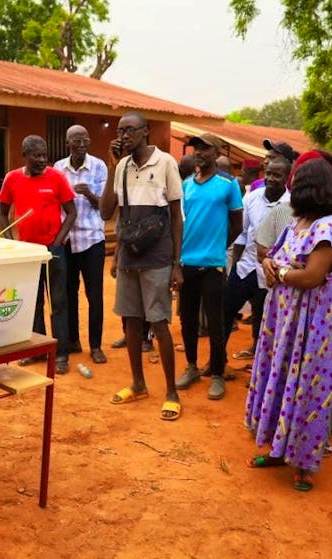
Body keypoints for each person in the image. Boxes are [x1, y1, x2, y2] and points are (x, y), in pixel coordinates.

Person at [244, 157, 332, 492]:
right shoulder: (297, 223)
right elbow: (272, 255)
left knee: (308, 386)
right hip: (284, 318)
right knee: (279, 379)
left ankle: (306, 464)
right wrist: (268, 263)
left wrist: (278, 272)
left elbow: (311, 277)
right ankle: (279, 449)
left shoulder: (330, 227)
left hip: (314, 325)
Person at [99, 112, 184, 421]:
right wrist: (111, 166)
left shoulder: (165, 164)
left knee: (159, 323)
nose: (124, 135)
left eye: (131, 129)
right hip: (130, 256)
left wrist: (177, 264)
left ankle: (171, 392)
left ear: (146, 131)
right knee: (131, 322)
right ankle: (138, 383)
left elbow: (176, 216)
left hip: (159, 257)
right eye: (121, 130)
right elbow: (108, 212)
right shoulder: (121, 167)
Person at [0, 135, 77, 373]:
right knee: (33, 302)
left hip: (53, 252)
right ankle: (37, 350)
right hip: (27, 253)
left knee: (59, 301)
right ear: (25, 155)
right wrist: (12, 244)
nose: (43, 160)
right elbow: (2, 213)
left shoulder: (57, 177)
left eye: (45, 155)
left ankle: (61, 353)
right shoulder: (12, 178)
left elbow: (71, 212)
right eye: (37, 156)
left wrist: (58, 241)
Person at [174, 133, 243, 400]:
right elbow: (180, 223)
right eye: (196, 148)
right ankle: (191, 366)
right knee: (187, 319)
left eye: (205, 148)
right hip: (187, 263)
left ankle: (216, 373)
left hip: (213, 265)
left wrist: (218, 246)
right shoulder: (187, 184)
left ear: (216, 153)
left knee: (215, 322)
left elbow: (237, 223)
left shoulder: (228, 184)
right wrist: (177, 260)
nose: (199, 153)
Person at [218, 157, 292, 367]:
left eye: (276, 175)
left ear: (286, 178)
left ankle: (261, 369)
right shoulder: (252, 196)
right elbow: (242, 233)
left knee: (264, 322)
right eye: (268, 173)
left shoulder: (291, 205)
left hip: (270, 274)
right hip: (245, 267)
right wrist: (235, 265)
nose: (270, 178)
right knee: (225, 311)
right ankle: (217, 361)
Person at [53, 125, 109, 364]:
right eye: (76, 141)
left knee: (94, 295)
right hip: (66, 239)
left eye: (85, 140)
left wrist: (90, 195)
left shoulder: (99, 166)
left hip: (92, 239)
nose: (82, 144)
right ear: (68, 143)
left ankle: (95, 346)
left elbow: (106, 206)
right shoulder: (58, 168)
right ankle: (73, 341)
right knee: (68, 293)